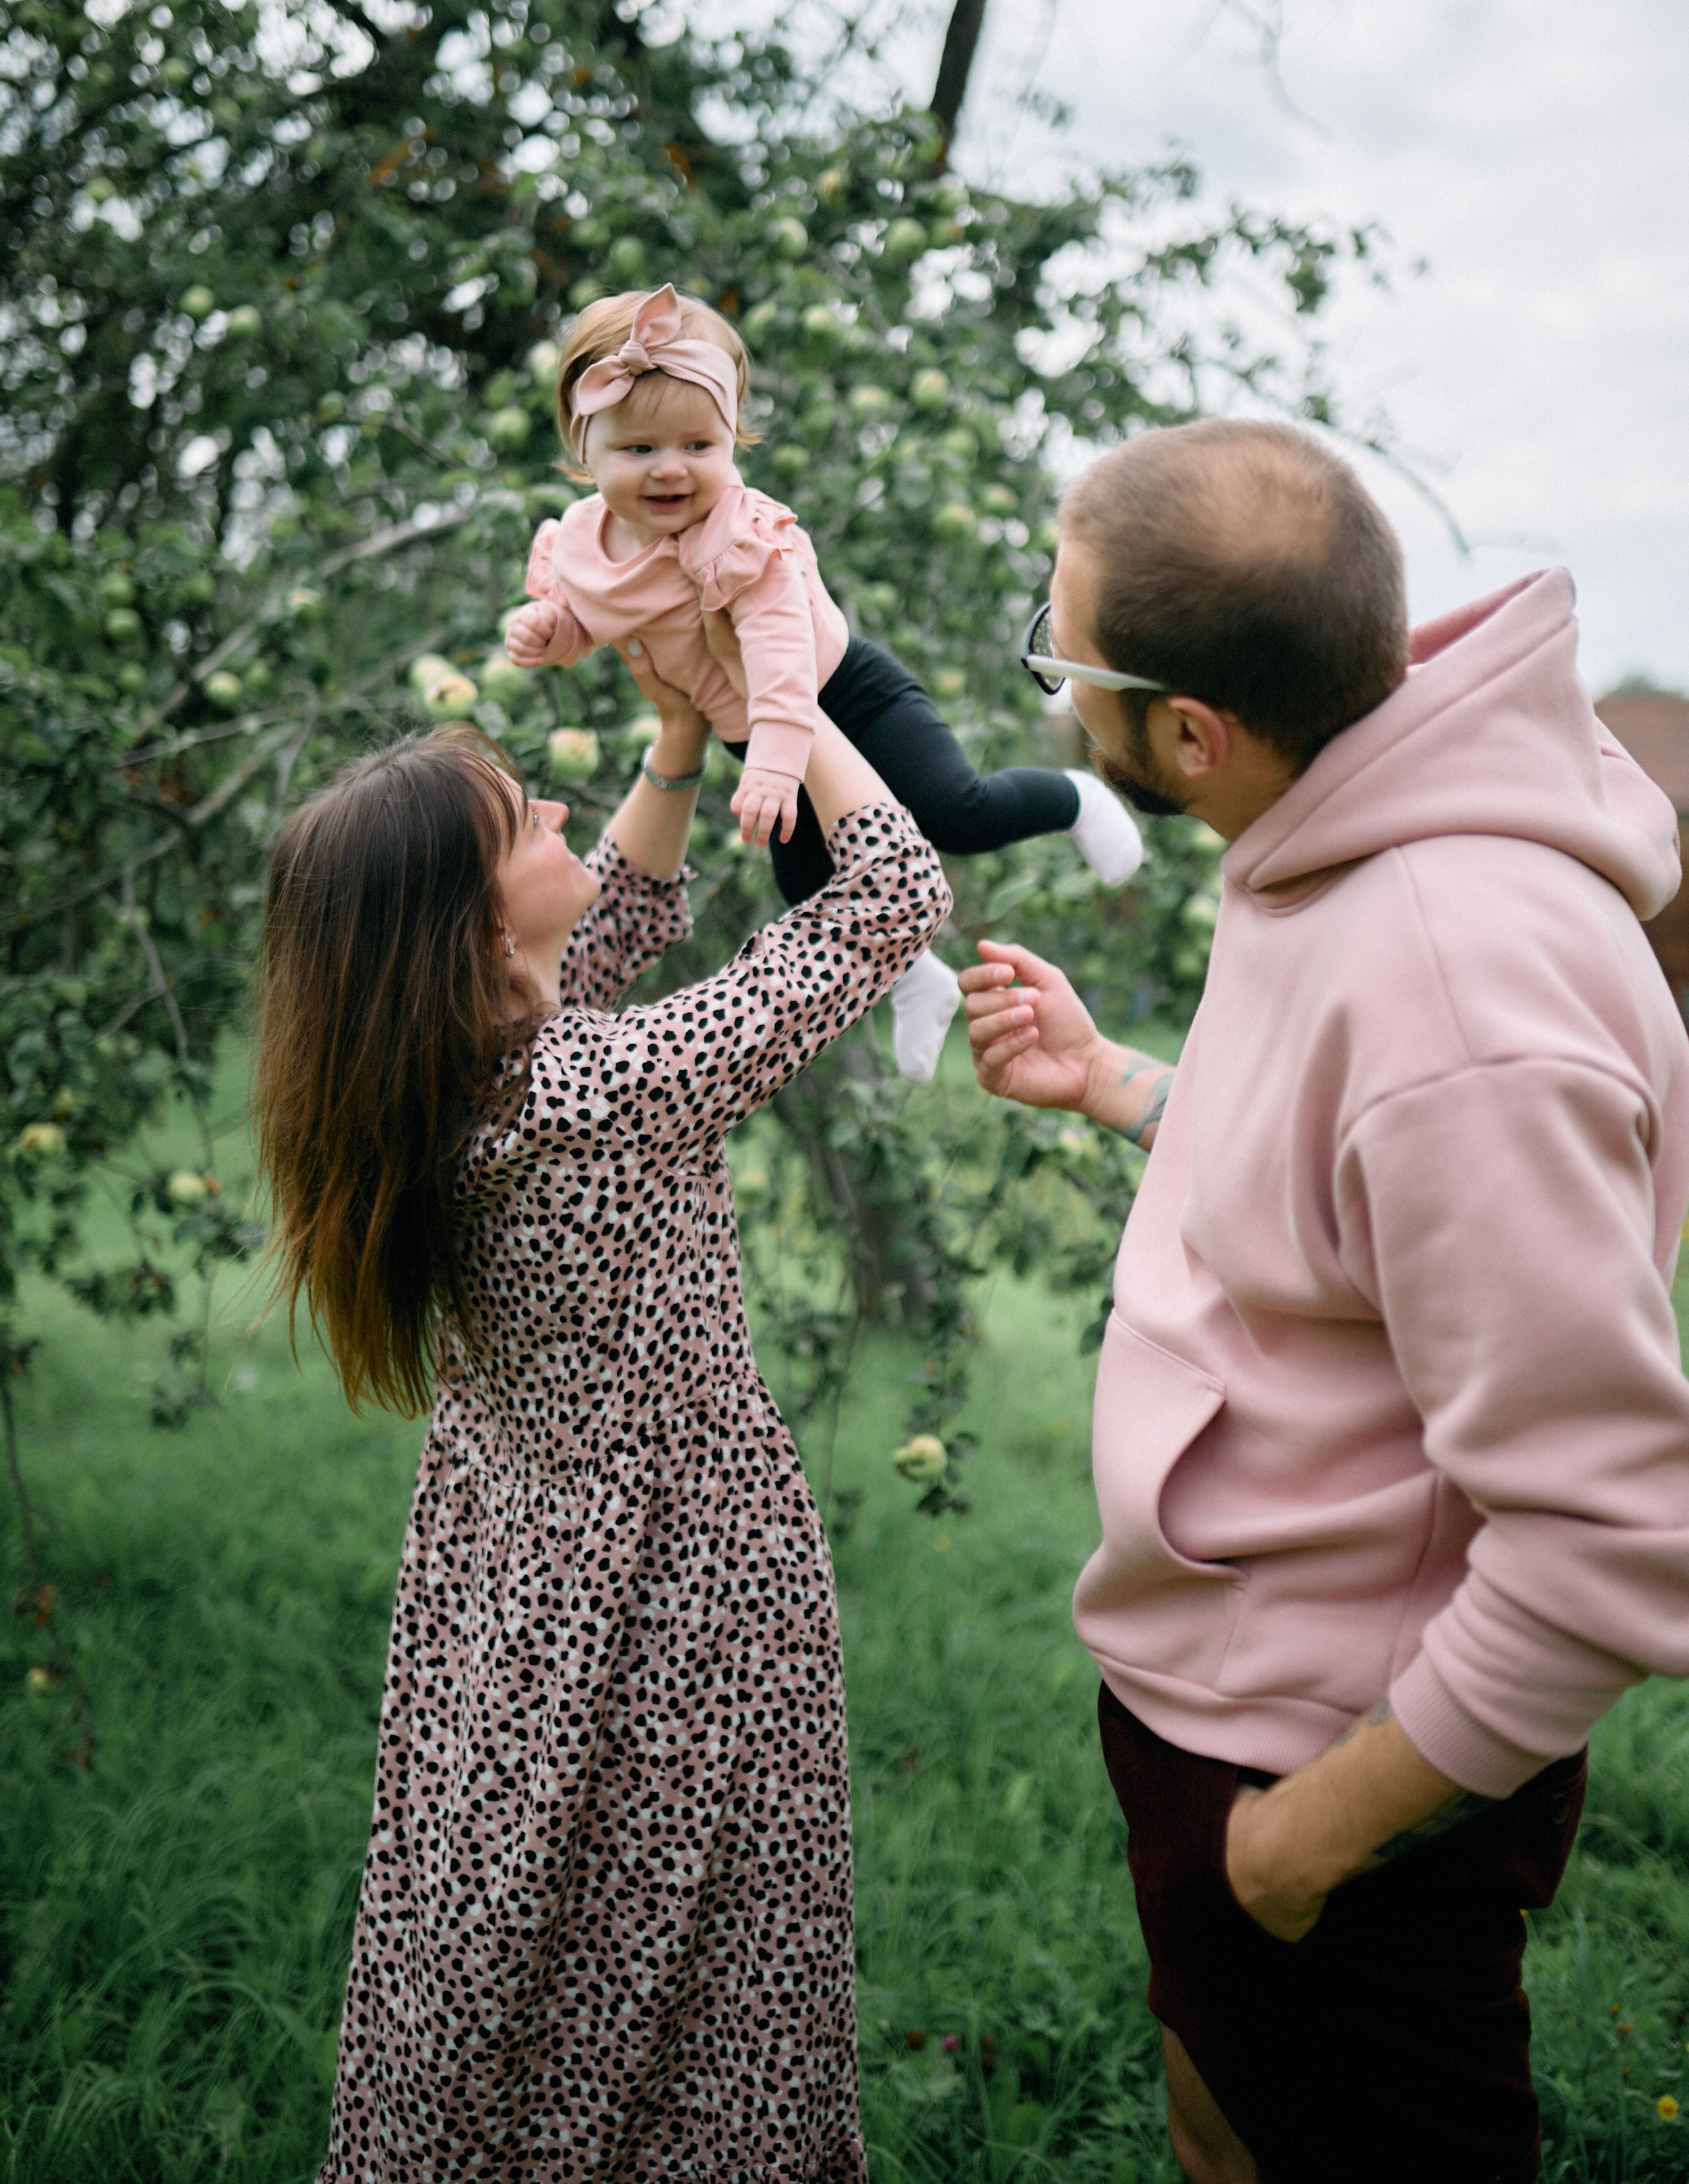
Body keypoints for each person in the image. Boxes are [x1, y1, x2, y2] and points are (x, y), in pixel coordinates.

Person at [960, 418, 1689, 2184]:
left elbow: (1611, 1536)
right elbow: (1352, 1209)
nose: (1055, 694)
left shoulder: (1456, 991)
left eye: (1065, 660)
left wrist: (1302, 1847)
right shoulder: (1343, 826)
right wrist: (1131, 1085)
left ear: (1189, 734)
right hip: (1221, 1705)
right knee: (1229, 2125)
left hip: (1336, 1775)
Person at [253, 633, 949, 2183]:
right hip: (676, 1584)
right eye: (526, 821)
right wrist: (792, 697)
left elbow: (602, 932)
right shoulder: (595, 1095)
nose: (565, 814)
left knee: (528, 1936)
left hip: (526, 1573)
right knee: (708, 1956)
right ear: (467, 925)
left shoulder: (448, 1075)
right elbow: (892, 899)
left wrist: (674, 741)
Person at [502, 282, 1141, 1080]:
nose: (672, 471)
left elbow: (773, 644)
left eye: (699, 447)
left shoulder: (737, 531)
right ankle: (916, 980)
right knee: (812, 893)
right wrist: (549, 634)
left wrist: (776, 755)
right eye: (639, 451)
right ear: (583, 445)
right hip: (752, 736)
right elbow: (585, 623)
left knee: (954, 811)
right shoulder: (579, 546)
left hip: (841, 697)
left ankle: (1073, 797)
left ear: (732, 440)